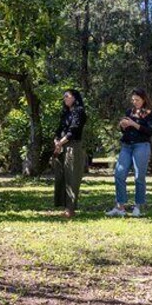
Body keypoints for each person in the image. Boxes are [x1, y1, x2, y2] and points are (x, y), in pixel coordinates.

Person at [106, 88, 152, 218]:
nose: (135, 102)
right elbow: (125, 130)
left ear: (144, 99)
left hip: (141, 146)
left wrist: (134, 124)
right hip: (126, 146)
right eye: (133, 100)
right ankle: (120, 207)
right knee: (119, 174)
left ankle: (138, 206)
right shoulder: (129, 112)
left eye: (137, 100)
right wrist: (122, 126)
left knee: (139, 176)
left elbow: (149, 131)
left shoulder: (150, 114)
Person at [51, 89, 87, 218]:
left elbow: (74, 130)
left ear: (74, 98)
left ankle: (70, 209)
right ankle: (64, 206)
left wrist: (60, 143)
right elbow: (60, 128)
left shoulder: (79, 111)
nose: (65, 98)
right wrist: (56, 141)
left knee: (72, 178)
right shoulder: (66, 113)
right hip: (61, 147)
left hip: (73, 146)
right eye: (64, 97)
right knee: (61, 177)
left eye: (67, 96)